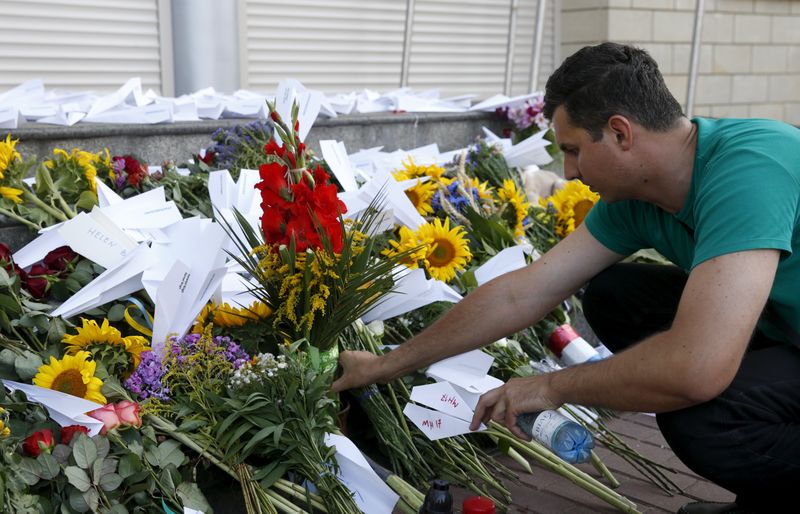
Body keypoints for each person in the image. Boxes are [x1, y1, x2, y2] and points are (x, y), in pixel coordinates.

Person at [332, 42, 800, 514]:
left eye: (573, 150)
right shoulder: (635, 196)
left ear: (620, 133)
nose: (570, 171)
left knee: (706, 418)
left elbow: (697, 370)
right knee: (617, 296)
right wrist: (386, 364)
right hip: (784, 327)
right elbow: (523, 292)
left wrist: (552, 387)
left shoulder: (751, 167)